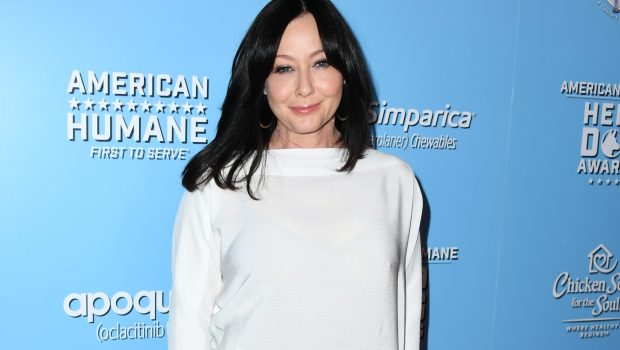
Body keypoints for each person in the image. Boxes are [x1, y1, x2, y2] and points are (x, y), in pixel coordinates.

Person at [168, 0, 423, 349]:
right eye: (283, 69)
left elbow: (403, 322)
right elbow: (189, 328)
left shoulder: (394, 181)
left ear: (345, 73)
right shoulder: (217, 185)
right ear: (261, 82)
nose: (305, 87)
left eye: (321, 63)